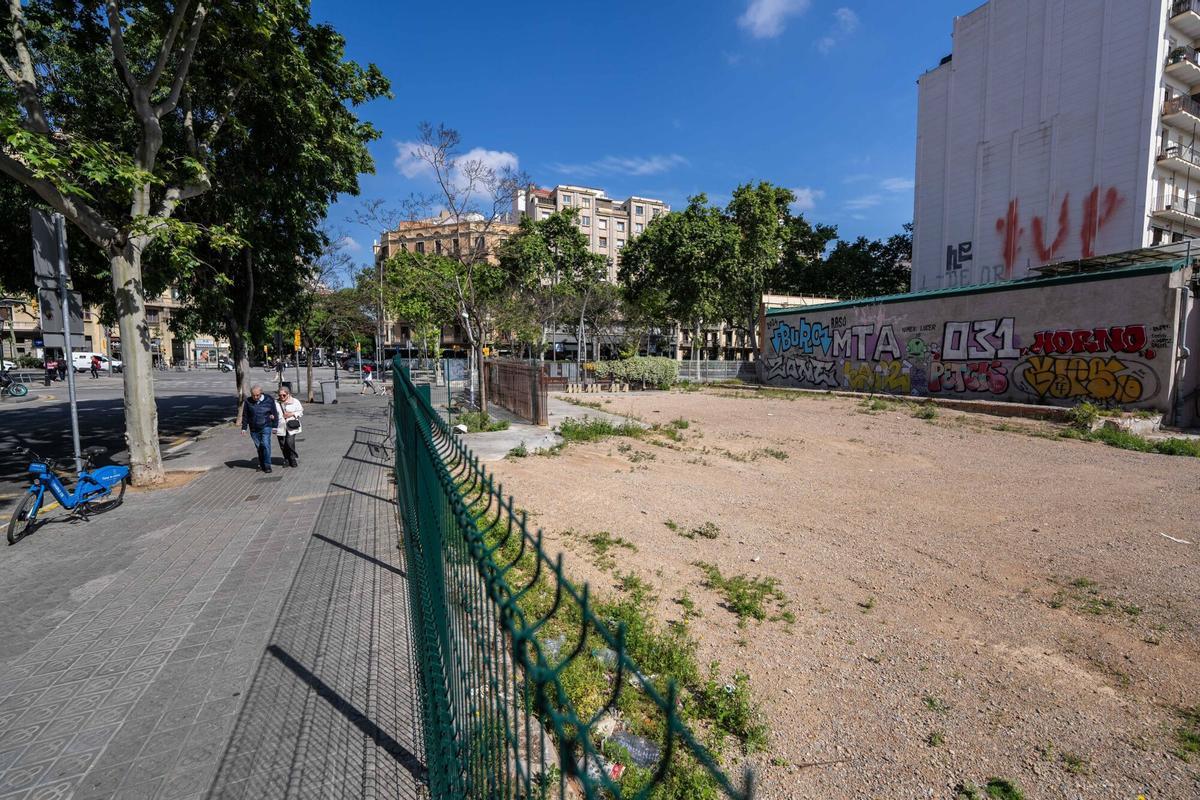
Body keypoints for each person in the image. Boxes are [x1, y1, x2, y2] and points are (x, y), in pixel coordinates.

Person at [241, 384, 279, 472]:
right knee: (259, 447)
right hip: (254, 428)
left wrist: (275, 426)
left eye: (257, 395)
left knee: (266, 445)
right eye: (253, 395)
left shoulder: (269, 399)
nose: (255, 397)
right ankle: (262, 464)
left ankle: (267, 465)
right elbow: (245, 416)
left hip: (266, 425)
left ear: (261, 393)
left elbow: (274, 413)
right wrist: (244, 428)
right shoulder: (248, 401)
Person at [274, 386, 303, 468]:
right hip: (280, 426)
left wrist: (292, 414)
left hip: (291, 426)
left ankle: (292, 458)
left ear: (288, 394)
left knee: (290, 442)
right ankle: (286, 459)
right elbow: (271, 412)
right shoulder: (275, 403)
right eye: (280, 395)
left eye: (284, 395)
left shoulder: (295, 401)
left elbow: (300, 411)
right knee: (282, 444)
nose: (282, 397)